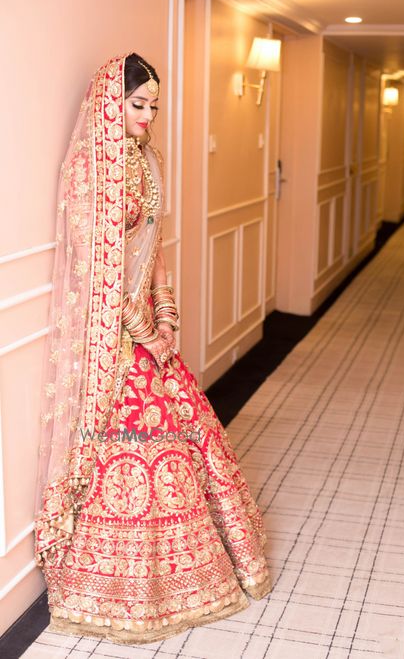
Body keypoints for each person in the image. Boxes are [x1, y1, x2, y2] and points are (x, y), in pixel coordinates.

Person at [33, 52, 272, 645]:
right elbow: (97, 271)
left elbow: (153, 247)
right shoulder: (94, 170)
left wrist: (167, 314)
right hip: (110, 335)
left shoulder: (147, 162)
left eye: (154, 106)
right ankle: (117, 587)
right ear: (112, 104)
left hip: (145, 324)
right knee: (137, 442)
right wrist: (141, 333)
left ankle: (190, 574)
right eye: (138, 104)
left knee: (184, 432)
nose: (148, 115)